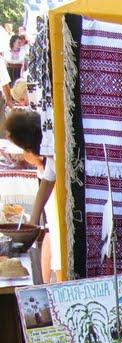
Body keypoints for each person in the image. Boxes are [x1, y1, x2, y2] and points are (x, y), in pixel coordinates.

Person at [4, 109, 58, 280]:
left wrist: (31, 225)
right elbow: (47, 183)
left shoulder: (55, 153)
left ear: (29, 149)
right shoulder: (51, 158)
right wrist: (32, 223)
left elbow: (48, 182)